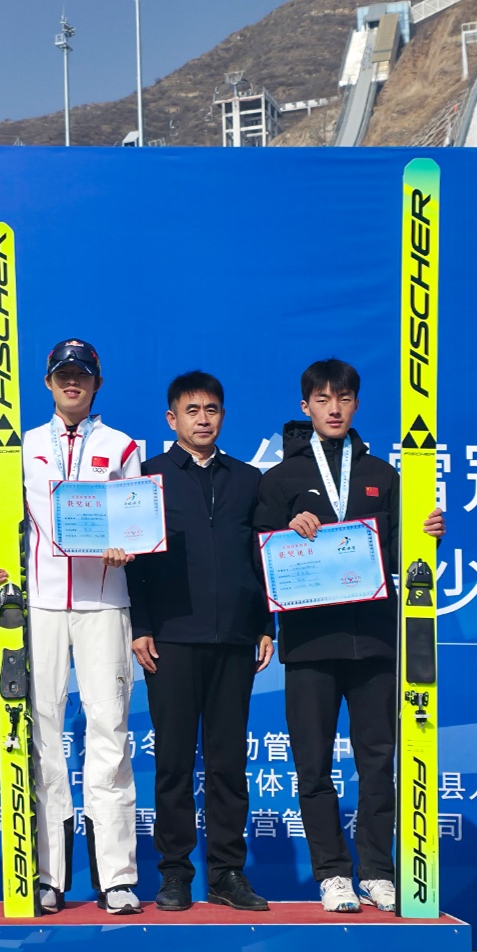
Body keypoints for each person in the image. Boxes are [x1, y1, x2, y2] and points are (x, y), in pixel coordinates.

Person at [254, 359, 445, 914]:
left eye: (343, 398)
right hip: (310, 642)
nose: (333, 408)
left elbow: (405, 554)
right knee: (311, 763)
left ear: (357, 404)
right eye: (322, 398)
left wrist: (427, 533)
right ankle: (333, 873)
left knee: (378, 759)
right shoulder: (279, 480)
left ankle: (378, 871)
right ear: (305, 407)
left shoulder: (385, 476)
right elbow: (258, 557)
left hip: (375, 641)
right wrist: (284, 530)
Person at [127, 371, 274, 912]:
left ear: (223, 416)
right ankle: (174, 873)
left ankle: (227, 873)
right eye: (192, 410)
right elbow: (134, 565)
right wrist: (140, 626)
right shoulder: (149, 478)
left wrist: (266, 623)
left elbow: (264, 557)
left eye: (212, 409)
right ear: (172, 419)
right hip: (170, 639)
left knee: (228, 762)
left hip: (235, 638)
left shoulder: (248, 479)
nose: (203, 418)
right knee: (172, 762)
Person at [19, 339, 144, 915]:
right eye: (63, 374)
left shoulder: (121, 446)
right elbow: (14, 521)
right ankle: (47, 876)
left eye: (83, 375)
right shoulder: (25, 445)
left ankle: (116, 875)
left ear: (97, 384)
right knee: (41, 737)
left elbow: (135, 521)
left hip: (104, 602)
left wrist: (131, 549)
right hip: (41, 604)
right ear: (48, 382)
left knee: (110, 735)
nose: (73, 383)